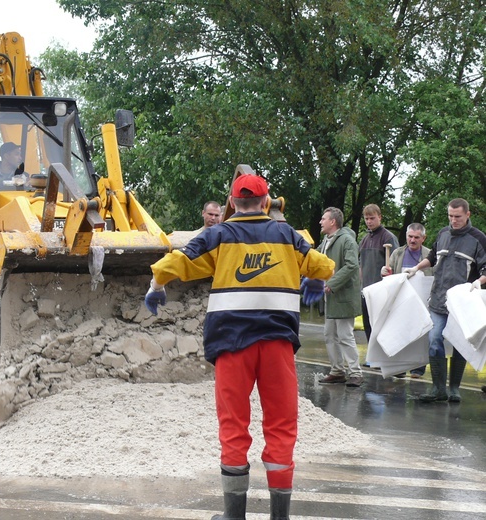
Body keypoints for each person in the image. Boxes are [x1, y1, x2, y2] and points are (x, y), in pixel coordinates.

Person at [143, 174, 334, 520]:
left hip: (231, 345)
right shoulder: (287, 236)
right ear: (266, 202)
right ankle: (280, 516)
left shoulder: (219, 236)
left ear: (231, 203)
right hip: (277, 345)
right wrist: (317, 281)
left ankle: (234, 516)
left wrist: (157, 284)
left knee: (233, 427)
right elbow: (323, 265)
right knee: (281, 425)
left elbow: (180, 260)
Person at [406, 198, 486, 403]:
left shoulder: (478, 239)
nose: (453, 220)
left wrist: (479, 281)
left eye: (457, 216)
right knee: (434, 340)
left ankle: (454, 389)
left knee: (460, 344)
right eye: (450, 216)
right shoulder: (442, 233)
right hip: (438, 300)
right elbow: (432, 258)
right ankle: (438, 389)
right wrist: (416, 268)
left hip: (462, 303)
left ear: (467, 215)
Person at [317, 207, 364, 388]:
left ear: (332, 222)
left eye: (323, 219)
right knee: (330, 335)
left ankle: (355, 373)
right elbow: (316, 258)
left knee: (345, 335)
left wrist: (332, 283)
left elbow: (352, 266)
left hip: (343, 296)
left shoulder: (346, 240)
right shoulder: (327, 241)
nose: (320, 222)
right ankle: (337, 371)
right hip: (332, 297)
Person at [380, 223, 433, 378]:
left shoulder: (430, 255)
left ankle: (418, 368)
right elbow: (389, 276)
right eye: (410, 236)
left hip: (422, 300)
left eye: (416, 237)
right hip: (401, 300)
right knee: (400, 333)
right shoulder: (397, 253)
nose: (412, 240)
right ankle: (400, 368)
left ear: (423, 238)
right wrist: (384, 272)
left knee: (420, 334)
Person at [359, 204, 399, 342]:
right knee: (367, 324)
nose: (369, 221)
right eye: (366, 218)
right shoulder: (364, 240)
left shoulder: (388, 238)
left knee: (380, 325)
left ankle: (382, 356)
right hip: (366, 290)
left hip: (381, 290)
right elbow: (361, 265)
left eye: (372, 218)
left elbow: (395, 263)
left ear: (380, 217)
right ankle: (372, 354)